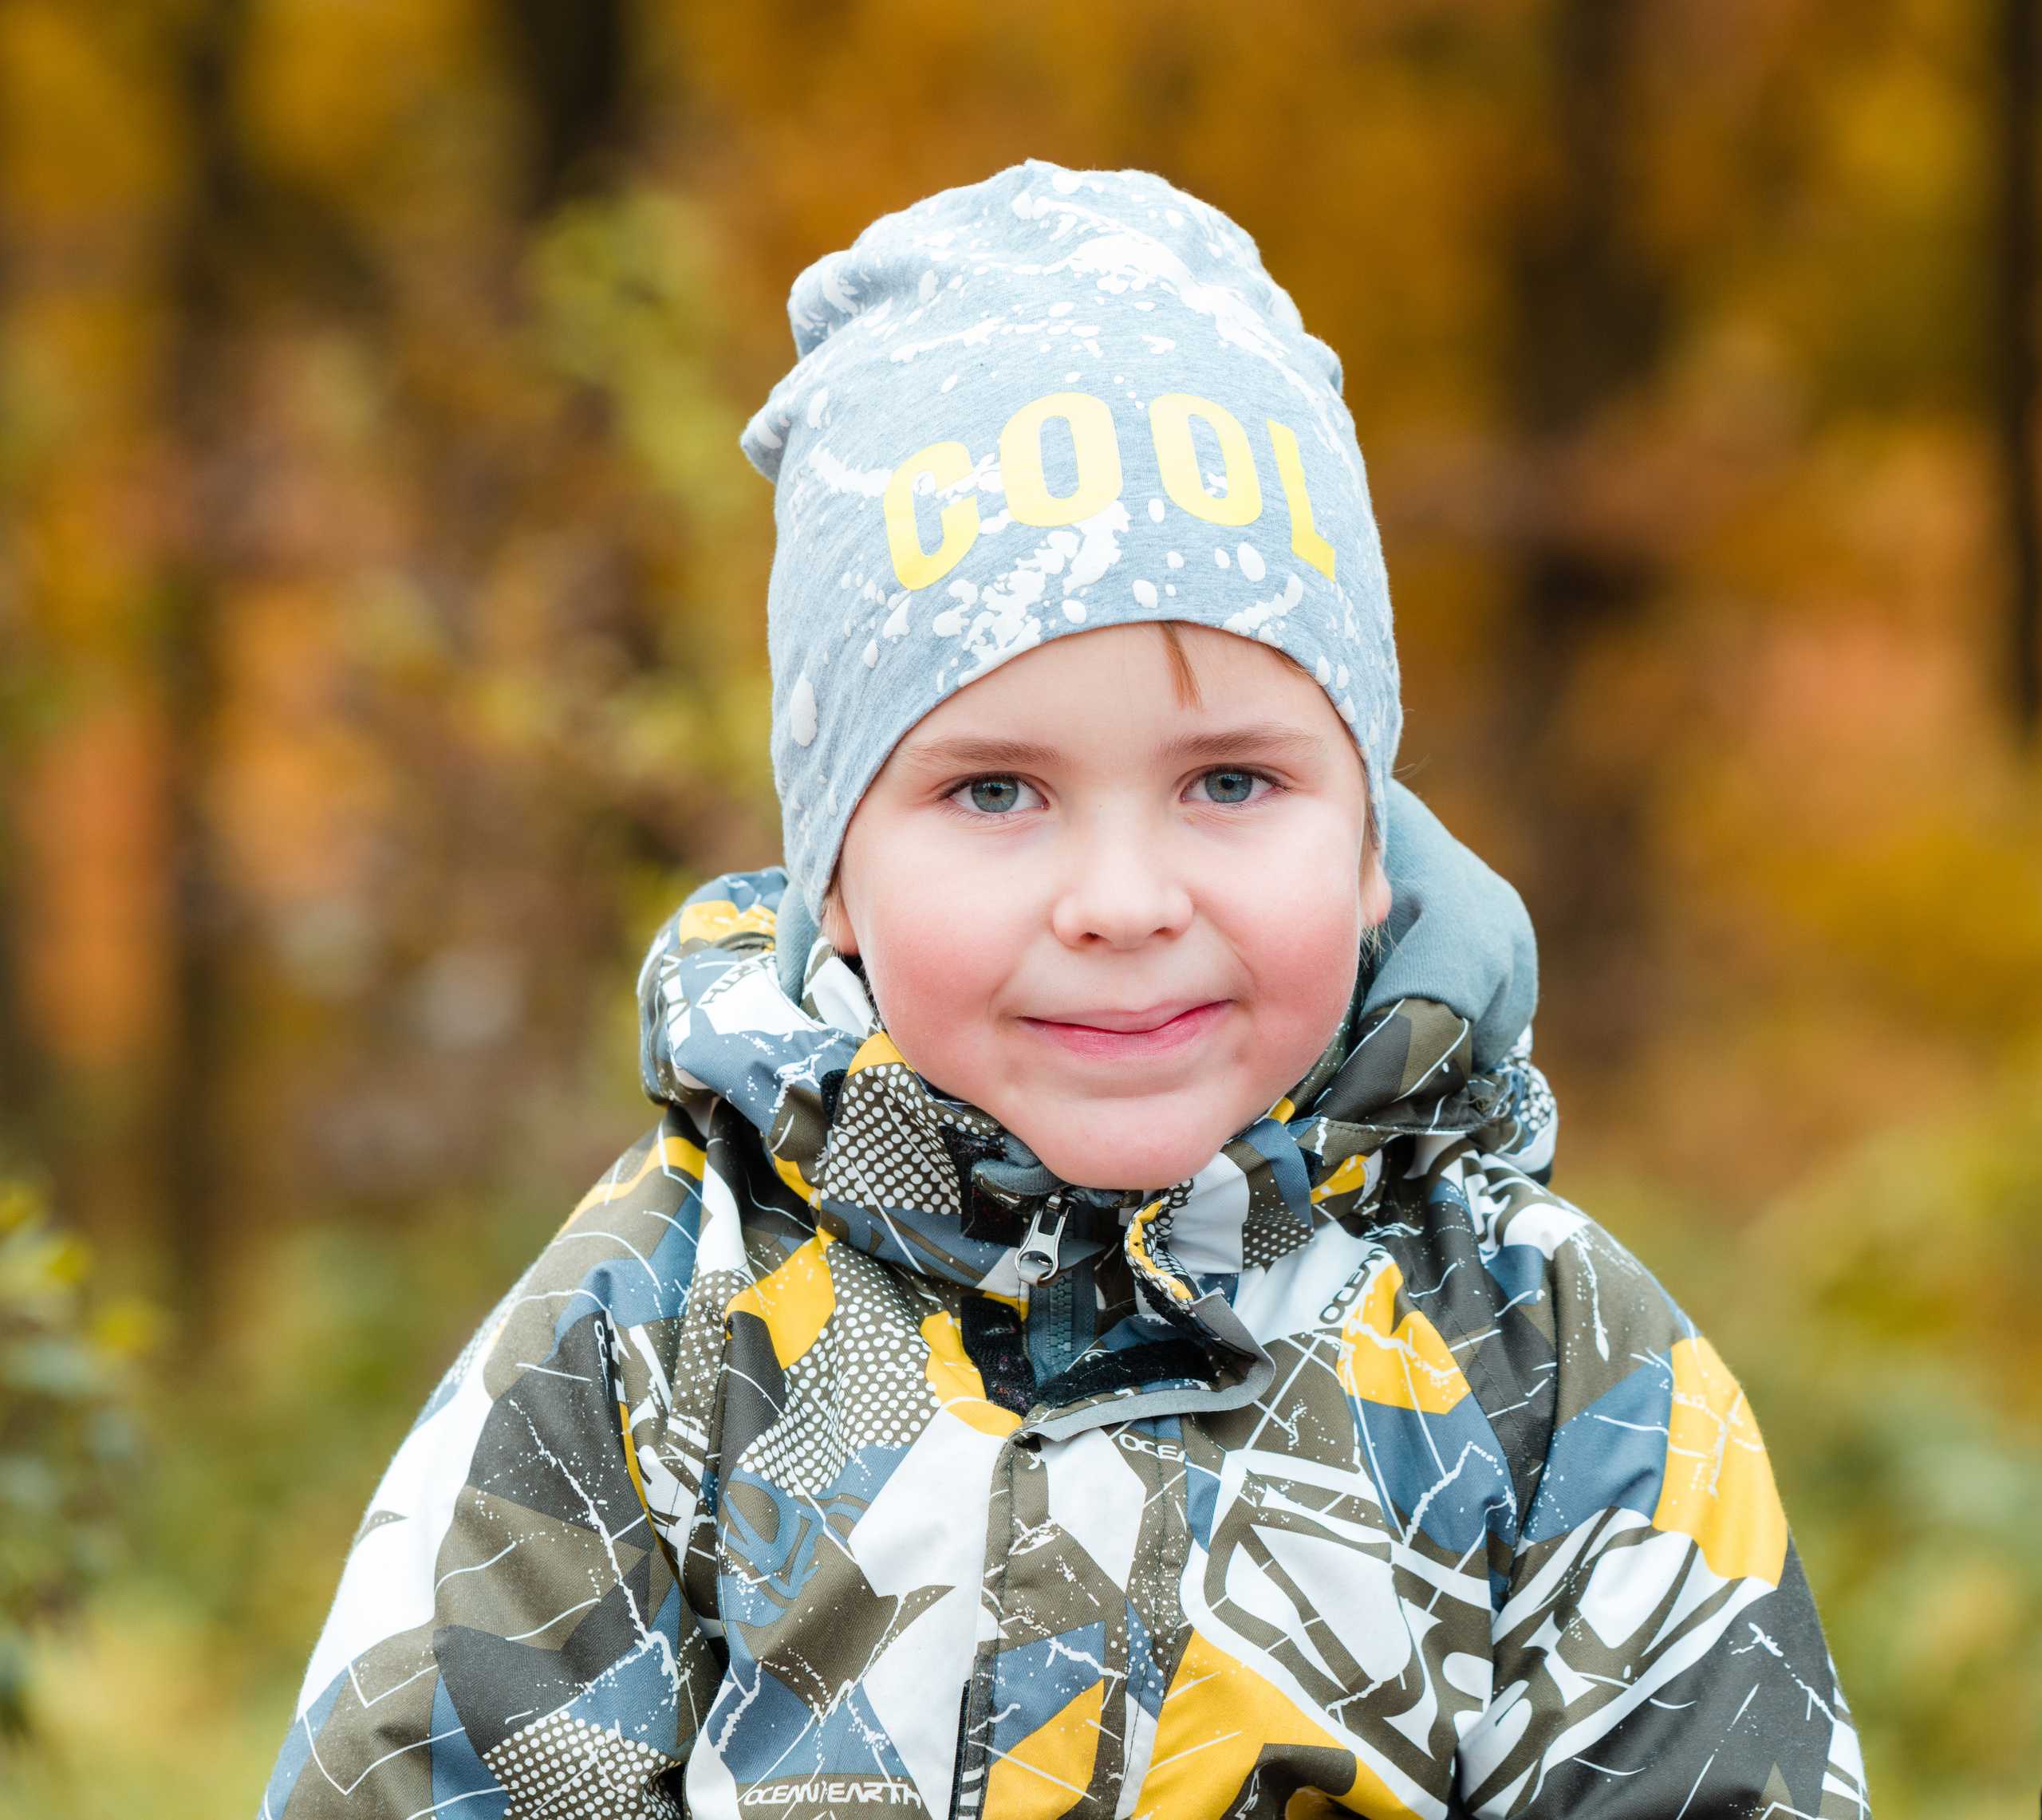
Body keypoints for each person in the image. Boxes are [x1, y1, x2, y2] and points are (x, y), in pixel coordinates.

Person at [258, 162, 1867, 1820]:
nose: (1118, 902)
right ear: (838, 876)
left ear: (1371, 836)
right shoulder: (654, 1337)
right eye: (994, 793)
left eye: (1230, 782)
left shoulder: (1557, 1375)